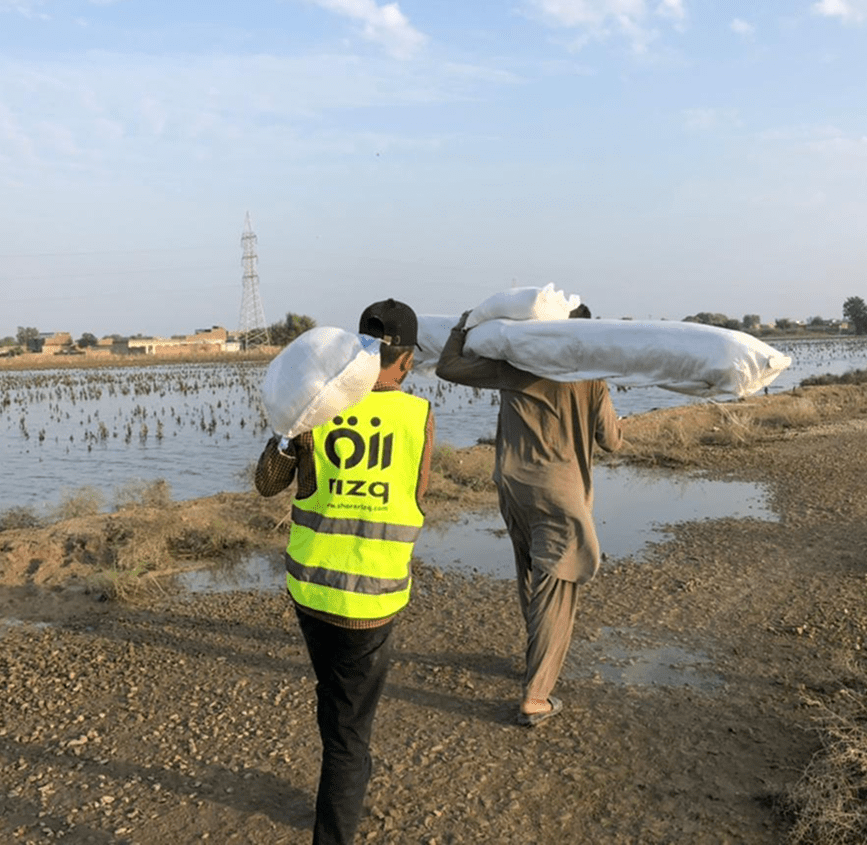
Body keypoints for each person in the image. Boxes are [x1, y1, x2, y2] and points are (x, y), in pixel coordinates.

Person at [254, 299, 434, 845]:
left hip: (311, 590)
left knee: (336, 700)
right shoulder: (418, 417)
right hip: (372, 600)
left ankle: (346, 780)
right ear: (407, 360)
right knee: (350, 729)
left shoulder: (316, 406)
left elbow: (267, 483)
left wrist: (288, 433)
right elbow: (418, 496)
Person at [436, 303, 622, 726]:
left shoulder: (515, 366)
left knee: (532, 572)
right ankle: (536, 697)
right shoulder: (591, 378)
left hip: (513, 488)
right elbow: (611, 441)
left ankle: (533, 659)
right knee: (556, 587)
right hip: (560, 497)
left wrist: (462, 326)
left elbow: (448, 367)